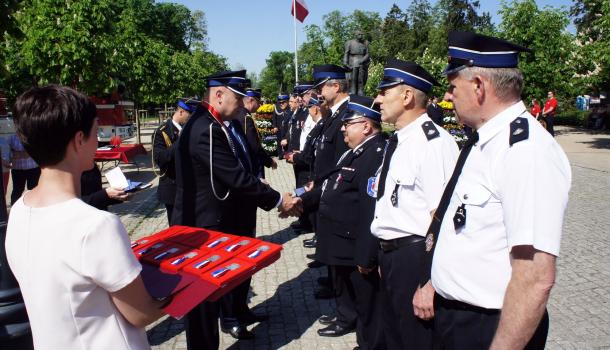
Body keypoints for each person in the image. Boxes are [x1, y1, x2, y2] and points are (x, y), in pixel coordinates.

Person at [416, 31, 571, 350]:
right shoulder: (485, 140)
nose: (448, 95)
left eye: (452, 85)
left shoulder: (525, 151)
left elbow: (535, 277)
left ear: (478, 86)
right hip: (454, 317)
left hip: (489, 327)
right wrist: (436, 282)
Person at [5, 85, 166, 350]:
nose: (98, 140)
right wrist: (193, 286)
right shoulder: (96, 225)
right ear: (79, 140)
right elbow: (141, 313)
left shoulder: (20, 210)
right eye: (96, 131)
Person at [171, 69, 301, 350]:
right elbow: (235, 177)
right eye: (237, 98)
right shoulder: (206, 129)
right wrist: (280, 200)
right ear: (218, 95)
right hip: (203, 226)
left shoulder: (213, 124)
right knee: (203, 305)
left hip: (213, 220)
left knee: (210, 299)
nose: (242, 104)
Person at [370, 59, 459, 350]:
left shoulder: (433, 144)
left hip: (416, 258)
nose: (378, 99)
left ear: (407, 96)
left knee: (415, 341)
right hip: (393, 256)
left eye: (384, 92)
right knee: (394, 338)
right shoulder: (399, 140)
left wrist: (429, 282)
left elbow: (442, 221)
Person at [297, 95, 386, 348]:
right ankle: (353, 327)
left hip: (354, 241)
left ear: (366, 126)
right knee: (348, 290)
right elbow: (329, 184)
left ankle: (368, 341)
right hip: (340, 238)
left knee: (367, 301)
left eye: (349, 123)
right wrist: (302, 198)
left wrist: (366, 254)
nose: (344, 128)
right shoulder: (354, 152)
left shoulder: (375, 154)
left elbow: (370, 207)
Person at [153, 99, 196, 224]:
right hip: (173, 189)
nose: (191, 118)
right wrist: (180, 140)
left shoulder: (190, 129)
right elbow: (161, 159)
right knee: (176, 228)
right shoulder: (162, 132)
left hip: (190, 187)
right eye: (190, 114)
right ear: (181, 112)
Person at [237, 87, 277, 179]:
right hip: (253, 163)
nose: (260, 106)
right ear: (251, 100)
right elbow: (254, 146)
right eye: (258, 102)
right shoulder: (246, 118)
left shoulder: (240, 114)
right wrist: (269, 161)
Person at [8, 133, 41, 204]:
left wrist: (19, 154)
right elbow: (7, 153)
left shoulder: (34, 137)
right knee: (17, 191)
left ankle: (33, 209)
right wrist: (14, 155)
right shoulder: (11, 138)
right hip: (17, 170)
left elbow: (37, 151)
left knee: (34, 190)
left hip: (33, 169)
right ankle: (14, 210)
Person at [344, 31, 371, 95]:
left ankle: (360, 90)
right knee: (353, 78)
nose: (361, 36)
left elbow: (367, 54)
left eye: (362, 34)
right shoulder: (349, 43)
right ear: (355, 35)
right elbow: (346, 53)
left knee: (361, 77)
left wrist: (362, 60)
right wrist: (345, 62)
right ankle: (352, 90)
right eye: (359, 34)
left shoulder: (366, 43)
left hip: (362, 62)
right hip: (353, 61)